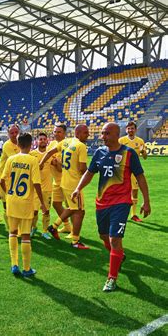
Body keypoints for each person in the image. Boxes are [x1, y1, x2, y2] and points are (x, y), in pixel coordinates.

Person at [72, 122, 150, 292]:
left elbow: (141, 177)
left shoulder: (128, 153)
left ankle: (111, 278)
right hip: (102, 203)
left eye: (106, 133)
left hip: (121, 203)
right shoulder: (99, 153)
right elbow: (89, 172)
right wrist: (78, 188)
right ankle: (119, 256)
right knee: (104, 236)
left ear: (116, 134)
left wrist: (146, 201)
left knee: (115, 239)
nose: (103, 137)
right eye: (102, 133)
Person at [0, 133, 48, 277]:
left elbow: (2, 181)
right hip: (26, 202)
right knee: (25, 235)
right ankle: (26, 269)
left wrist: (8, 193)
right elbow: (37, 183)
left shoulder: (11, 159)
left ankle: (14, 264)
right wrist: (43, 204)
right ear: (31, 144)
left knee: (12, 232)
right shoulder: (32, 161)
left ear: (18, 144)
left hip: (12, 200)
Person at [40, 124, 90, 249]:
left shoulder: (66, 142)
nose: (88, 135)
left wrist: (42, 162)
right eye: (86, 133)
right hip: (74, 183)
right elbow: (83, 168)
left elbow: (51, 152)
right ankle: (75, 240)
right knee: (79, 211)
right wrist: (92, 172)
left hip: (64, 181)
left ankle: (56, 227)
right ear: (78, 133)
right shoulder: (81, 146)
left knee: (74, 208)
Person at [118, 121, 148, 222]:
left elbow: (144, 157)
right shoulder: (121, 140)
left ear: (135, 130)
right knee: (120, 191)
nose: (130, 130)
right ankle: (119, 212)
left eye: (132, 128)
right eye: (129, 128)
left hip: (134, 170)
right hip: (122, 169)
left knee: (134, 191)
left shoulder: (140, 141)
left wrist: (144, 152)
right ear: (126, 129)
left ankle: (133, 214)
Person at [48, 123, 72, 235]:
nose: (56, 134)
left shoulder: (68, 146)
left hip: (67, 181)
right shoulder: (52, 144)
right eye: (55, 132)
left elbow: (63, 169)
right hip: (56, 181)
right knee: (56, 204)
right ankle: (67, 226)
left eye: (59, 132)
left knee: (72, 206)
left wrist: (57, 164)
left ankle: (75, 233)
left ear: (64, 133)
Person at [29, 132, 52, 240]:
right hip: (35, 188)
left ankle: (45, 231)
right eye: (40, 139)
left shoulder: (50, 154)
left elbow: (59, 169)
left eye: (44, 139)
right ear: (37, 141)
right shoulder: (32, 154)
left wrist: (56, 164)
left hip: (47, 188)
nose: (42, 141)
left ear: (47, 141)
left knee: (46, 211)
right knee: (34, 211)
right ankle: (33, 228)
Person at [0, 124, 20, 227]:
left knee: (16, 202)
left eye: (16, 132)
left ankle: (18, 226)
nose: (14, 135)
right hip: (3, 177)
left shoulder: (21, 143)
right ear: (8, 134)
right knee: (6, 203)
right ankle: (11, 228)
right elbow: (15, 160)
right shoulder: (7, 145)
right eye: (12, 133)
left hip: (14, 177)